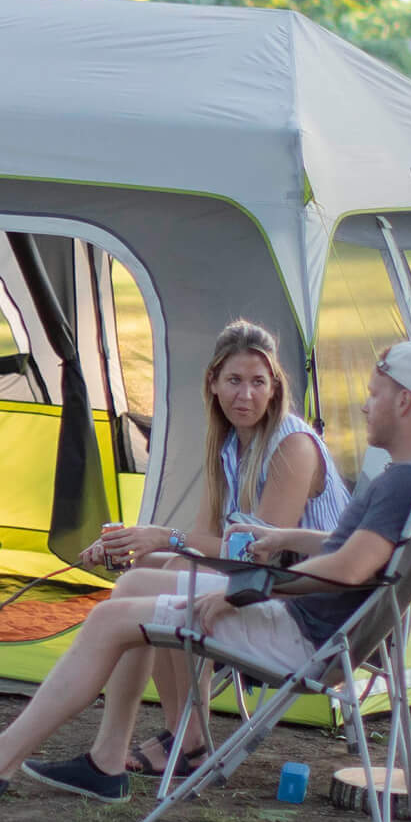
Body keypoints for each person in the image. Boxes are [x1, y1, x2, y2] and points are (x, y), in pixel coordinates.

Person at [0, 340, 411, 807]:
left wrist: (243, 593)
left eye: (374, 395)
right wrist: (292, 539)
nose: (366, 406)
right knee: (132, 585)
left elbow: (348, 568)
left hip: (297, 634)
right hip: (314, 627)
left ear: (405, 402)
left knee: (108, 620)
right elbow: (360, 553)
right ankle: (105, 760)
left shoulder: (401, 482)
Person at [76, 318, 349, 776]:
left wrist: (164, 535)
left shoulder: (292, 445)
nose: (246, 395)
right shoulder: (228, 444)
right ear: (214, 383)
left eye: (258, 382)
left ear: (274, 386)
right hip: (264, 583)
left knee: (154, 575)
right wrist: (128, 544)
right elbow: (205, 547)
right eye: (235, 381)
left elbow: (257, 552)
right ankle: (185, 736)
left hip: (306, 598)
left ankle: (187, 739)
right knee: (149, 563)